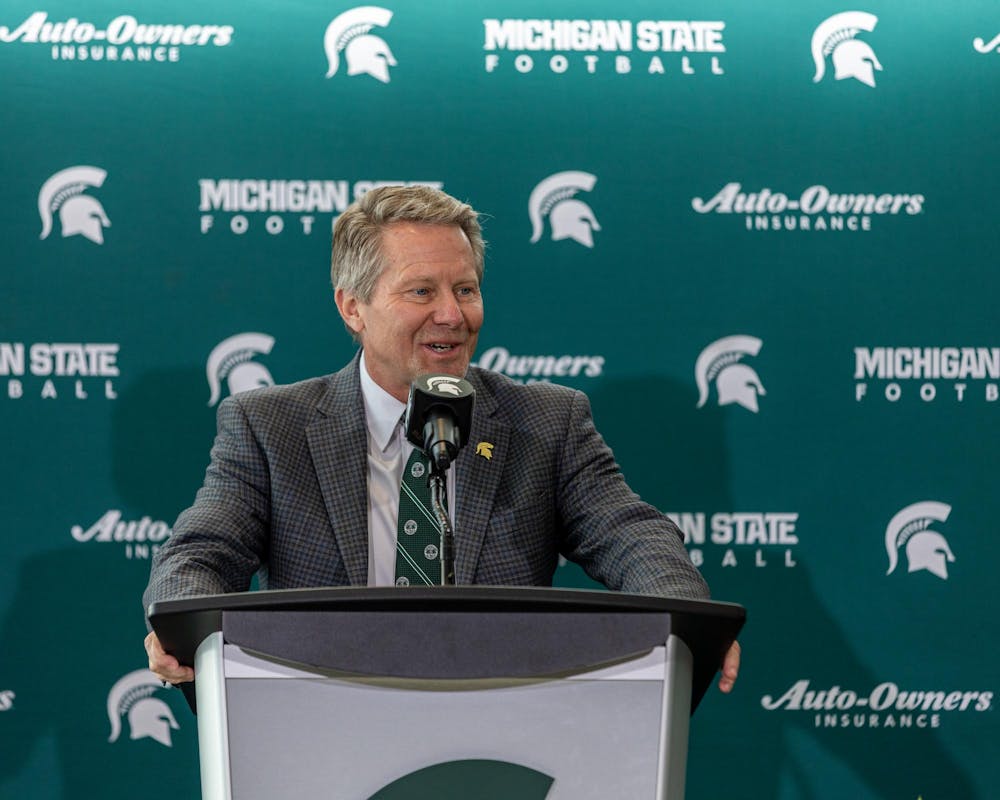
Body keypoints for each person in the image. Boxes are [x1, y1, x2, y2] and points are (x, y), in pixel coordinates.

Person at [143, 185, 740, 690]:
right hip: (324, 716)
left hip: (503, 719)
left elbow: (630, 535)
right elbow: (200, 553)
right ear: (353, 308)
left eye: (466, 289)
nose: (453, 315)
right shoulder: (270, 427)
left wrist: (687, 620)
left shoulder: (546, 421)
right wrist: (181, 623)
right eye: (421, 291)